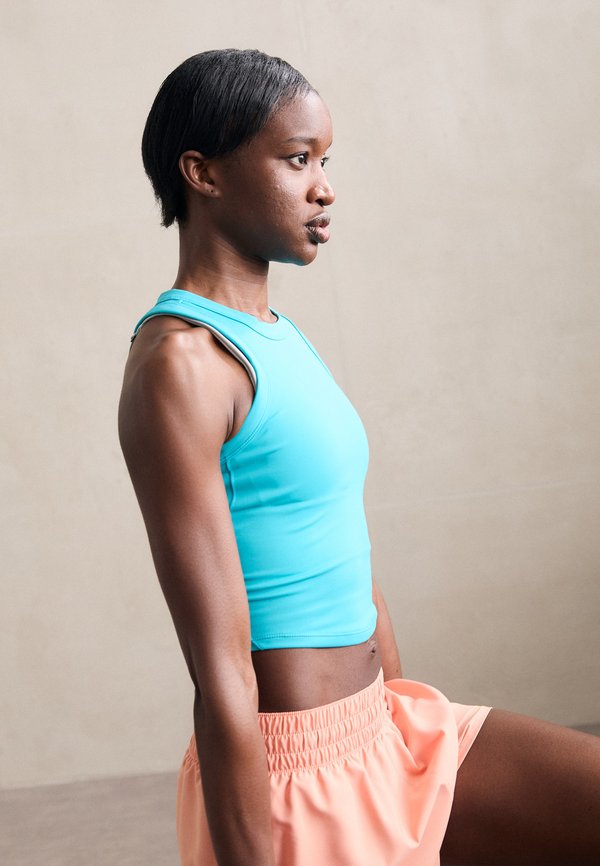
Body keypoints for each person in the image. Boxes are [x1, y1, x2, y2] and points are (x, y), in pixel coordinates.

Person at [118, 48, 600, 866]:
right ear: (202, 172)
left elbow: (344, 546)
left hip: (392, 729)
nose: (324, 186)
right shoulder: (183, 364)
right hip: (298, 771)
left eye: (325, 160)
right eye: (296, 159)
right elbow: (221, 665)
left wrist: (401, 716)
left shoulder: (279, 335)